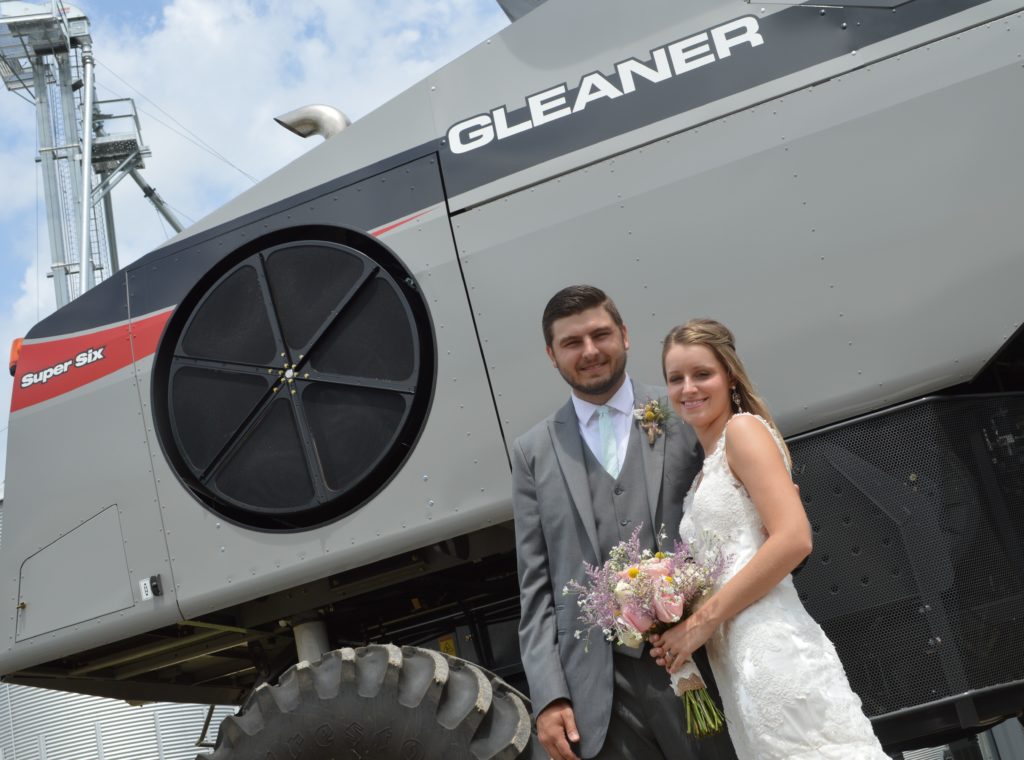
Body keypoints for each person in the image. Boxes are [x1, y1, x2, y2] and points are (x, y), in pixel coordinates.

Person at [511, 286, 737, 760]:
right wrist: (550, 696)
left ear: (625, 336)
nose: (590, 351)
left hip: (703, 659)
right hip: (600, 691)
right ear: (552, 355)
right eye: (572, 343)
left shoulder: (682, 409)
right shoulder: (532, 452)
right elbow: (536, 588)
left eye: (601, 334)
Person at [648, 318, 889, 759]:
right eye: (675, 378)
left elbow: (794, 538)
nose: (688, 388)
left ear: (730, 375)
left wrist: (697, 626)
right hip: (738, 667)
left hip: (774, 650)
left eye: (702, 373)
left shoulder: (744, 432)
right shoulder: (705, 470)